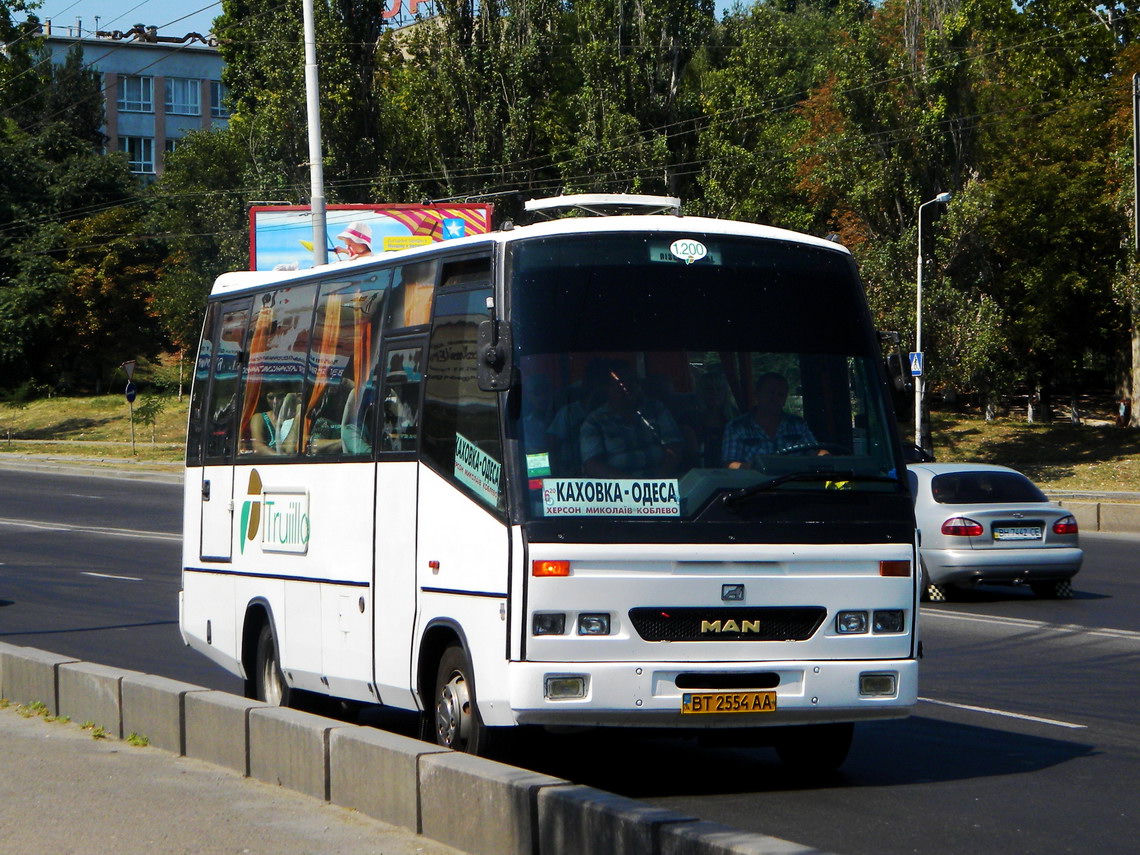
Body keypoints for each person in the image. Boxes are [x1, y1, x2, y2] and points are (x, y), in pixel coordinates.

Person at [580, 364, 684, 477]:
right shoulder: (594, 422)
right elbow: (592, 464)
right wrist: (632, 485)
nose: (628, 386)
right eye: (621, 382)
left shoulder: (656, 409)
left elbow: (674, 447)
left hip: (662, 482)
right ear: (607, 387)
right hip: (618, 489)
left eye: (632, 381)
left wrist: (659, 481)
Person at [721, 372, 826, 468]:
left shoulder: (798, 424)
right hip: (755, 486)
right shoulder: (736, 427)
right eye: (770, 392)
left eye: (780, 394)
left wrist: (825, 456)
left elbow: (814, 451)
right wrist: (752, 468)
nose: (775, 397)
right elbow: (730, 464)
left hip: (795, 483)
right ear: (757, 395)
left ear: (785, 399)